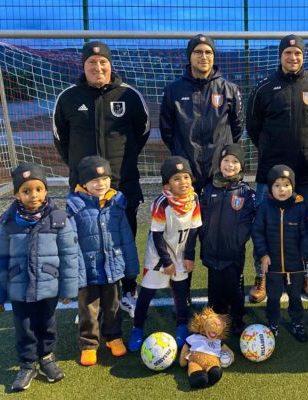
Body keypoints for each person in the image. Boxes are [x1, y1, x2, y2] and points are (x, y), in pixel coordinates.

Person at [53, 40, 150, 317]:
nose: (98, 67)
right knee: (86, 243)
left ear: (110, 65)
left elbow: (142, 132)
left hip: (122, 184)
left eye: (103, 62)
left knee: (125, 240)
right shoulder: (68, 97)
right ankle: (91, 299)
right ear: (83, 66)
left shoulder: (129, 95)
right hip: (83, 190)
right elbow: (60, 138)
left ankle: (128, 291)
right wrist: (80, 169)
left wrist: (122, 164)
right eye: (92, 63)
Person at [247, 34, 308, 302]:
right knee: (263, 224)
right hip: (270, 174)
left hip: (306, 174)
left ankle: (305, 275)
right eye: (288, 53)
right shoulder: (264, 87)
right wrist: (272, 150)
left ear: (303, 56)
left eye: (297, 53)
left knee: (306, 226)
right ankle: (261, 277)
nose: (292, 57)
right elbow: (253, 127)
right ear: (280, 55)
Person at [0, 163, 79, 391]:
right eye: (26, 191)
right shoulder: (8, 223)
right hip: (19, 288)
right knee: (24, 327)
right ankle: (27, 364)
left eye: (38, 189)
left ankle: (47, 358)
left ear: (46, 190)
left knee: (47, 324)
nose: (33, 195)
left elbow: (69, 255)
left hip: (49, 286)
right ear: (17, 194)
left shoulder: (59, 219)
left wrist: (68, 290)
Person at [66, 156, 140, 366]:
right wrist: (75, 272)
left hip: (112, 268)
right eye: (95, 180)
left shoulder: (116, 204)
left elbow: (126, 238)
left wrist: (130, 267)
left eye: (105, 178)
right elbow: (71, 243)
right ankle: (89, 344)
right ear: (84, 183)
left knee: (113, 307)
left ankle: (113, 337)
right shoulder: (75, 208)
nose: (101, 184)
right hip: (88, 270)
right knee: (88, 310)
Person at [128, 156, 202, 351]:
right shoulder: (162, 204)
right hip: (159, 255)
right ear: (167, 184)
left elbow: (194, 229)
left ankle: (181, 327)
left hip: (180, 252)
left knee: (181, 291)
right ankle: (137, 328)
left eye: (186, 177)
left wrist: (189, 256)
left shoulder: (194, 198)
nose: (183, 182)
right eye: (176, 179)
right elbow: (157, 235)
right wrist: (167, 261)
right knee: (147, 292)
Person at [160, 34, 244, 193]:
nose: (204, 56)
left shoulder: (229, 89)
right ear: (189, 56)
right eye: (198, 52)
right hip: (188, 172)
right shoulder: (173, 90)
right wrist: (181, 151)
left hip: (219, 171)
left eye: (208, 52)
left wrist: (221, 153)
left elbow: (237, 127)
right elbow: (167, 130)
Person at [199, 144, 255, 335]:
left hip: (233, 253)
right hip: (212, 251)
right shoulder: (208, 190)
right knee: (215, 288)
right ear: (219, 163)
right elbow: (202, 219)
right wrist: (205, 240)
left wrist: (236, 244)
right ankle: (217, 318)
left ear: (241, 166)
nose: (230, 165)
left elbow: (247, 223)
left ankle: (237, 318)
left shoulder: (246, 192)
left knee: (234, 288)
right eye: (226, 161)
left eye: (235, 161)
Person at [252, 165, 308, 342]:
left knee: (295, 297)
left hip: (296, 264)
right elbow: (257, 233)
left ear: (292, 186)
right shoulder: (264, 207)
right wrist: (263, 254)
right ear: (270, 187)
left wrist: (304, 254)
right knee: (273, 297)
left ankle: (297, 323)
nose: (282, 189)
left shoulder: (300, 207)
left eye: (286, 185)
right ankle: (273, 323)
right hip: (273, 264)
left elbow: (306, 234)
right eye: (277, 185)